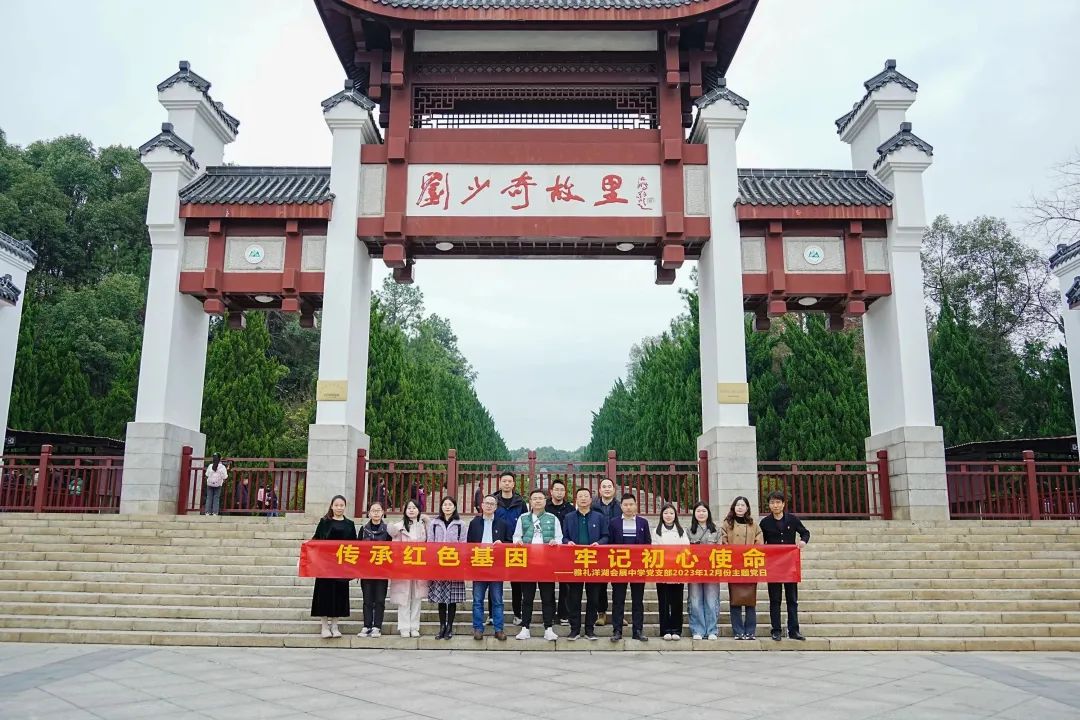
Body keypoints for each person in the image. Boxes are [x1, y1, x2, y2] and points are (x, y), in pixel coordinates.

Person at [512, 489, 563, 641]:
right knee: (527, 597)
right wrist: (518, 542)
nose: (538, 501)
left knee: (548, 597)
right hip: (528, 563)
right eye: (534, 498)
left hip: (546, 563)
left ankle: (548, 628)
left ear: (545, 501)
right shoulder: (523, 518)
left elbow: (559, 537)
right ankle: (525, 628)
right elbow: (516, 536)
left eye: (540, 498)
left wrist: (555, 542)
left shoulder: (553, 518)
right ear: (530, 502)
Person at [759, 491, 809, 641]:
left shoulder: (792, 520)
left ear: (783, 504)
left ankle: (794, 630)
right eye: (772, 502)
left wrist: (803, 541)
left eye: (778, 502)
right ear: (769, 505)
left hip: (790, 565)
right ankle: (776, 630)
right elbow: (761, 542)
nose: (775, 505)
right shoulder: (765, 523)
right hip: (773, 566)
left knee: (792, 599)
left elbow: (805, 533)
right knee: (775, 599)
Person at [562, 486, 608, 641]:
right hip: (575, 562)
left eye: (585, 496)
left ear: (590, 500)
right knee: (574, 598)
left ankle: (589, 629)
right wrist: (567, 542)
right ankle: (574, 629)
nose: (583, 498)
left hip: (594, 562)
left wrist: (599, 543)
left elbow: (606, 536)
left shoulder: (599, 517)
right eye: (580, 496)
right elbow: (564, 537)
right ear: (576, 499)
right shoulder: (569, 517)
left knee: (593, 598)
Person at [310, 495, 356, 638]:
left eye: (341, 505)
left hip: (341, 566)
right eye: (336, 505)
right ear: (331, 506)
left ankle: (335, 625)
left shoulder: (350, 524)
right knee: (324, 595)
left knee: (339, 596)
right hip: (325, 566)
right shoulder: (324, 522)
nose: (339, 508)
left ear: (345, 507)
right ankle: (324, 626)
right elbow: (316, 539)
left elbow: (354, 545)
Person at [607, 492, 651, 642]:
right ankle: (617, 630)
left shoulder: (643, 523)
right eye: (625, 505)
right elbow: (610, 545)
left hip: (638, 567)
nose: (628, 507)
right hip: (619, 567)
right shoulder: (614, 523)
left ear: (636, 505)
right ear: (621, 506)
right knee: (618, 600)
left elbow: (648, 544)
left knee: (637, 600)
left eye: (631, 504)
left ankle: (637, 630)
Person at [467, 494, 510, 641]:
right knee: (477, 600)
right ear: (482, 505)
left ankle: (499, 629)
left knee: (497, 600)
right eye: (487, 503)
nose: (489, 506)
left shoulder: (502, 523)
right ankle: (478, 628)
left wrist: (502, 544)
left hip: (496, 567)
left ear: (496, 507)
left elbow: (509, 542)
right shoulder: (474, 523)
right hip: (479, 565)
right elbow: (468, 545)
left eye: (492, 504)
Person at [721, 495, 764, 640]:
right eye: (738, 505)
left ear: (747, 508)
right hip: (733, 565)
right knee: (735, 599)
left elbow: (759, 541)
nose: (740, 507)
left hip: (749, 564)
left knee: (750, 599)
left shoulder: (754, 524)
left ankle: (750, 631)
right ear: (734, 507)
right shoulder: (727, 524)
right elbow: (723, 541)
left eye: (743, 505)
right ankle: (738, 631)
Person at [388, 500, 429, 637]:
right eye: (409, 508)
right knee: (403, 597)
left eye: (414, 508)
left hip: (419, 565)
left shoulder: (423, 526)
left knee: (417, 598)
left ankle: (414, 626)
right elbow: (394, 545)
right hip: (403, 567)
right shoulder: (399, 527)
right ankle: (404, 627)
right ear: (405, 511)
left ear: (419, 510)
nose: (411, 510)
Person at [428, 496, 467, 640]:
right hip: (438, 565)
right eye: (445, 504)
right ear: (441, 507)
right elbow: (430, 543)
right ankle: (442, 626)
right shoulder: (434, 523)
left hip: (454, 564)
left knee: (452, 598)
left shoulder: (460, 524)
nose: (447, 507)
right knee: (441, 597)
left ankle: (449, 626)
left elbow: (463, 544)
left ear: (454, 507)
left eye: (450, 504)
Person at [493, 471, 527, 624]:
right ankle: (492, 615)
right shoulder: (493, 500)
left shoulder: (520, 503)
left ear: (513, 484)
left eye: (509, 481)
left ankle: (517, 614)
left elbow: (526, 523)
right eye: (504, 481)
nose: (507, 484)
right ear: (500, 483)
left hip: (516, 546)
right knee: (494, 580)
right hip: (497, 545)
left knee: (517, 582)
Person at [653, 502, 689, 640]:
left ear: (675, 515)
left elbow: (686, 548)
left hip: (677, 570)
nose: (668, 516)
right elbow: (654, 549)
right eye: (666, 513)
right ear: (662, 515)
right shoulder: (656, 531)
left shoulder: (681, 531)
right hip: (662, 570)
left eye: (671, 513)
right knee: (663, 601)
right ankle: (665, 630)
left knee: (677, 601)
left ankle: (676, 629)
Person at [687, 501, 722, 640]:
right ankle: (697, 630)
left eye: (704, 511)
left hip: (711, 570)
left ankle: (712, 630)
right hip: (694, 571)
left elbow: (721, 550)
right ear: (694, 514)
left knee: (711, 600)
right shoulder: (689, 531)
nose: (701, 514)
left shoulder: (716, 530)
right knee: (695, 600)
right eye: (698, 511)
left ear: (708, 513)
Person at [357, 501, 392, 638]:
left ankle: (377, 626)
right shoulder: (363, 530)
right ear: (369, 513)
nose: (376, 513)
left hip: (382, 571)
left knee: (379, 600)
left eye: (378, 510)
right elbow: (357, 549)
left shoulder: (388, 530)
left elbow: (392, 550)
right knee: (367, 600)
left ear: (383, 512)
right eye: (373, 510)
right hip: (366, 570)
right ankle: (366, 626)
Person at [590, 477, 620, 626]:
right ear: (600, 490)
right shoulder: (593, 507)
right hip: (599, 548)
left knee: (618, 584)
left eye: (609, 486)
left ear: (614, 490)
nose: (607, 489)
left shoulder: (620, 506)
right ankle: (601, 613)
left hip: (617, 549)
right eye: (604, 487)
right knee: (600, 583)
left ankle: (618, 614)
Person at [545, 478, 573, 625]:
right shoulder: (545, 507)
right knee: (548, 584)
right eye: (557, 489)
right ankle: (549, 614)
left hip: (565, 551)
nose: (559, 492)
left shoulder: (570, 509)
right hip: (547, 550)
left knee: (565, 584)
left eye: (562, 490)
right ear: (551, 491)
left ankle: (564, 614)